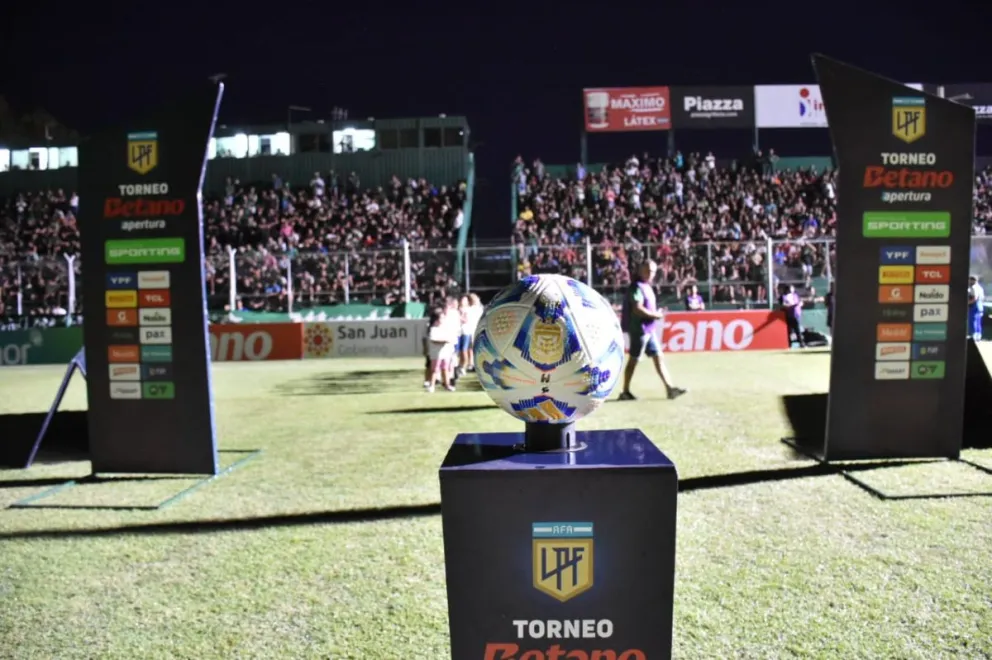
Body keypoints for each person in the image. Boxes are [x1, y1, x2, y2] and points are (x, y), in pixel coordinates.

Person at [618, 260, 687, 401]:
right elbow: (637, 309)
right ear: (640, 269)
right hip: (639, 330)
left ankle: (669, 388)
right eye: (648, 270)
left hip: (649, 329)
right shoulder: (636, 287)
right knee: (634, 359)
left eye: (653, 271)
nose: (650, 274)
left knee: (658, 357)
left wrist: (656, 313)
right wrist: (656, 315)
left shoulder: (646, 287)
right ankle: (625, 391)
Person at [426, 305, 455, 393]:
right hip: (436, 353)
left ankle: (447, 384)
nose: (443, 320)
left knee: (445, 368)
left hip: (445, 352)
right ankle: (432, 385)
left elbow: (450, 337)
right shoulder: (433, 329)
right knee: (435, 369)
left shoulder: (445, 328)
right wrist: (444, 341)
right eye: (441, 318)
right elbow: (433, 340)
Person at [969, 275, 985, 341]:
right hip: (980, 306)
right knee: (978, 321)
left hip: (974, 306)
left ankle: (973, 335)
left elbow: (975, 297)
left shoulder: (973, 287)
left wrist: (968, 303)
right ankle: (978, 335)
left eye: (970, 280)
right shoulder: (980, 288)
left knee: (973, 321)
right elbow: (983, 297)